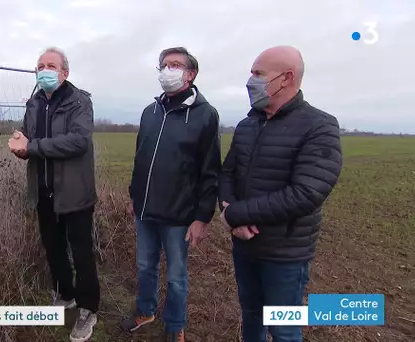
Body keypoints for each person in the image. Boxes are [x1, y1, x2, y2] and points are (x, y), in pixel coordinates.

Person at [218, 45, 343, 342]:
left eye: (259, 74)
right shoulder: (248, 124)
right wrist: (231, 214)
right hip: (245, 246)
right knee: (251, 316)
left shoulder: (320, 126)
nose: (251, 81)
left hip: (285, 253)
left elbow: (306, 193)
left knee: (283, 329)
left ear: (286, 78)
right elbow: (227, 173)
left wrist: (235, 214)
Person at [121, 47, 222, 342]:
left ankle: (175, 325)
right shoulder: (149, 112)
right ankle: (145, 310)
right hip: (145, 210)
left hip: (179, 215)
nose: (167, 70)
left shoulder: (206, 114)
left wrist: (202, 217)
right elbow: (140, 160)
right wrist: (132, 196)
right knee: (144, 266)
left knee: (177, 276)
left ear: (190, 74)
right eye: (164, 65)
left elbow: (210, 170)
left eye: (175, 65)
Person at [8, 47, 100, 342]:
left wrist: (32, 146)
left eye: (51, 65)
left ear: (64, 73)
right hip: (43, 192)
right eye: (40, 65)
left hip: (75, 193)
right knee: (53, 247)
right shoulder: (34, 104)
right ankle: (65, 295)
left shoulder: (80, 102)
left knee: (82, 254)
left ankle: (88, 310)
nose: (44, 70)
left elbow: (77, 142)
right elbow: (27, 139)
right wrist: (20, 146)